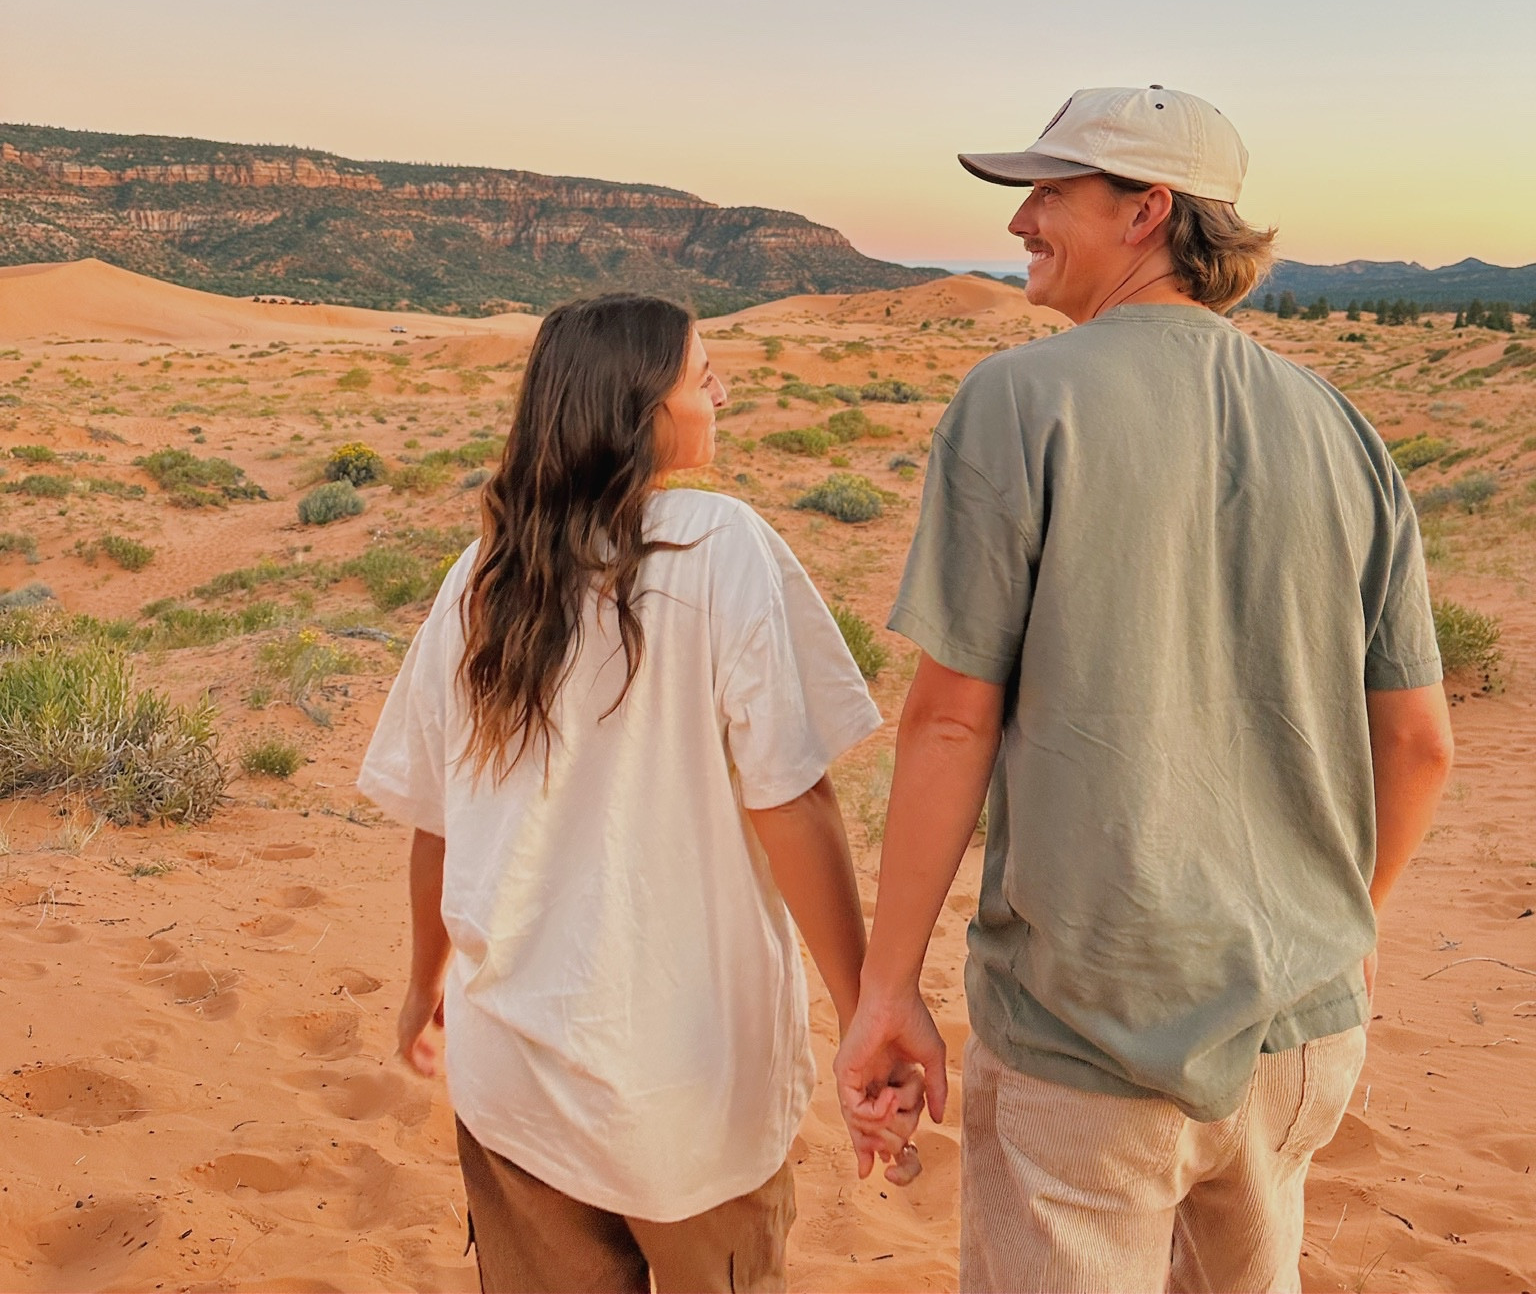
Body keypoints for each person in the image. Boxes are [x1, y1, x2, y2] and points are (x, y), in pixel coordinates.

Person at [836, 85, 1454, 1293]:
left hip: (1090, 1032)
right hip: (1304, 1028)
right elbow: (1422, 743)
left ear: (1148, 210)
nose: (1022, 217)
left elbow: (954, 714)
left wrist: (887, 985)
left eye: (1053, 189)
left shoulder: (1019, 400)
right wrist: (1351, 920)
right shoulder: (1344, 429)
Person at [358, 292, 913, 1294]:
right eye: (702, 375)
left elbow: (435, 819)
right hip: (692, 1089)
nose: (720, 391)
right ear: (639, 405)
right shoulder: (724, 547)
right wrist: (861, 1004)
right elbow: (796, 801)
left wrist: (422, 979)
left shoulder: (485, 573)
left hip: (515, 1079)